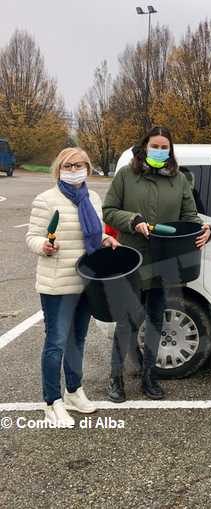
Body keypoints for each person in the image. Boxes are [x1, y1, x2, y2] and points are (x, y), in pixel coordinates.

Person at [103, 126, 211, 402]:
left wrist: (207, 229)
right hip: (133, 259)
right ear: (144, 146)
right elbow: (109, 210)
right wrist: (133, 220)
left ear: (170, 151)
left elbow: (190, 216)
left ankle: (149, 377)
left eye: (165, 147)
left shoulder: (179, 179)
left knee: (155, 321)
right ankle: (115, 379)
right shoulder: (127, 176)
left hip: (164, 262)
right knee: (126, 322)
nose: (160, 151)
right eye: (156, 146)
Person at [26, 147, 119, 427]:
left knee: (77, 340)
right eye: (69, 165)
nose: (74, 169)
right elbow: (31, 236)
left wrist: (105, 239)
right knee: (55, 343)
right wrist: (43, 245)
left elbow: (93, 231)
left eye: (79, 164)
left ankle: (73, 392)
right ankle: (51, 402)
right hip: (57, 283)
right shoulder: (46, 200)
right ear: (59, 168)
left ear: (88, 168)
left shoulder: (92, 197)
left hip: (87, 282)